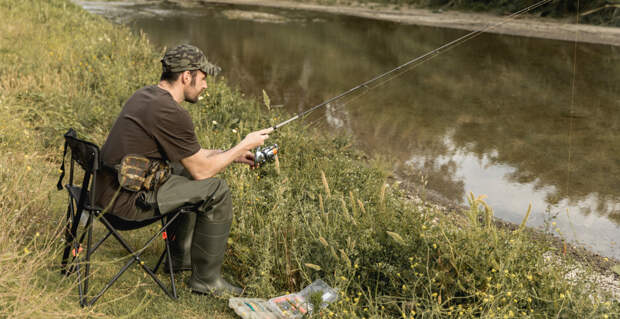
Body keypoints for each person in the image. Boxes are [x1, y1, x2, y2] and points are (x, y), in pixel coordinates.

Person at [95, 44, 272, 296]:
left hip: (105, 194)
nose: (205, 85)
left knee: (184, 171)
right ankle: (207, 281)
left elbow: (193, 159)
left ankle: (178, 261)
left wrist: (232, 154)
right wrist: (245, 142)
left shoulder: (145, 96)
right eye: (203, 78)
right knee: (216, 190)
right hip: (125, 205)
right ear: (186, 76)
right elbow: (203, 171)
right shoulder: (170, 111)